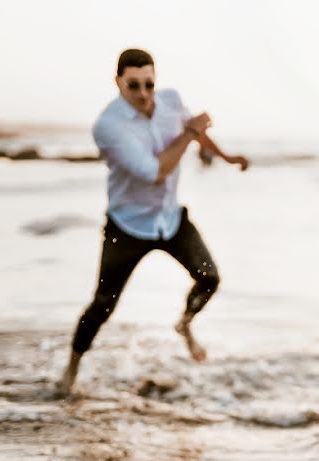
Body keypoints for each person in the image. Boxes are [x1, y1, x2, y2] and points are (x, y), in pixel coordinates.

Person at [59, 48, 250, 395]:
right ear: (118, 82)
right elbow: (155, 173)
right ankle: (70, 370)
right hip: (127, 225)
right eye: (134, 85)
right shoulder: (108, 126)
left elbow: (192, 128)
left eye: (149, 83)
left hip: (170, 218)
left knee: (209, 277)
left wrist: (224, 155)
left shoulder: (171, 100)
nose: (144, 93)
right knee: (103, 303)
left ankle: (185, 324)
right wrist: (190, 134)